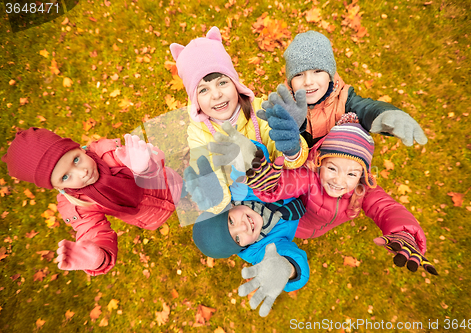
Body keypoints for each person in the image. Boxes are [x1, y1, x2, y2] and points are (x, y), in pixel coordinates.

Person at [241, 116, 438, 275]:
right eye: (332, 168)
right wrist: (270, 183)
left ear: (362, 175)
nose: (339, 181)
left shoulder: (362, 190)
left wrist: (404, 232)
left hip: (318, 229)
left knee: (314, 232)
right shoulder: (310, 177)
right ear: (320, 163)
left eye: (351, 174)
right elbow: (288, 182)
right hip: (295, 224)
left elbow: (386, 207)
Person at [2, 128, 183, 276]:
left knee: (187, 190)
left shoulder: (108, 153)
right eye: (65, 176)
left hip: (167, 182)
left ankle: (189, 192)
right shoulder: (76, 205)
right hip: (151, 216)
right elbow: (94, 231)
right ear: (56, 186)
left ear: (79, 148)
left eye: (76, 159)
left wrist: (145, 165)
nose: (82, 173)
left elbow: (152, 157)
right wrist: (98, 257)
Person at [169, 26, 309, 214]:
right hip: (244, 208)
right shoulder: (198, 135)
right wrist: (213, 195)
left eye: (222, 82)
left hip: (280, 193)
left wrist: (292, 149)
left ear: (235, 84)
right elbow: (217, 194)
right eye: (203, 90)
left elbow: (290, 162)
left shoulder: (260, 110)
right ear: (195, 100)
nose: (217, 94)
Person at [187, 153, 309, 317]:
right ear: (242, 247)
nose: (243, 227)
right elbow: (291, 261)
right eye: (237, 238)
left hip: (292, 165)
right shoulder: (260, 250)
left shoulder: (241, 192)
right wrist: (287, 269)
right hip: (307, 205)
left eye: (231, 221)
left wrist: (248, 160)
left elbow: (251, 153)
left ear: (229, 207)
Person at [262, 30, 428, 148]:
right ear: (290, 82)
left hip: (334, 172)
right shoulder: (284, 104)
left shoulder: (343, 100)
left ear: (330, 75)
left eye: (317, 71)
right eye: (299, 75)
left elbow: (366, 109)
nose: (308, 81)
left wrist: (384, 114)